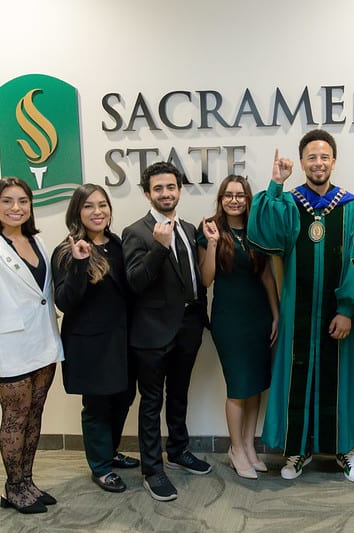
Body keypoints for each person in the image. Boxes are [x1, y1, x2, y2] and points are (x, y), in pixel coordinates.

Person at [247, 129, 354, 482]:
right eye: (311, 157)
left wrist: (348, 310)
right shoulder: (288, 203)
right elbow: (266, 234)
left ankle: (344, 448)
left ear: (334, 161)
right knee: (295, 378)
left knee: (342, 378)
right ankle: (297, 449)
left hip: (338, 315)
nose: (318, 163)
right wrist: (275, 184)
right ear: (302, 162)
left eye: (324, 156)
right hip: (297, 312)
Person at [0, 177, 63, 514]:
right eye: (7, 201)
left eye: (23, 201)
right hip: (10, 347)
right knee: (15, 418)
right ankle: (12, 488)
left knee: (35, 415)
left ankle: (28, 482)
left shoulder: (38, 240)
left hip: (43, 343)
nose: (16, 207)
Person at [122, 161, 211, 502]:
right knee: (151, 402)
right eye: (158, 188)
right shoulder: (136, 232)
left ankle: (178, 450)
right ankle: (152, 469)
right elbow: (135, 282)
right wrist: (159, 247)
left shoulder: (188, 228)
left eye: (170, 187)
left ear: (179, 190)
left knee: (179, 394)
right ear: (147, 193)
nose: (165, 193)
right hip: (152, 332)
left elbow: (194, 278)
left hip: (187, 327)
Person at [52, 184, 138, 493]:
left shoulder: (116, 244)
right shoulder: (67, 249)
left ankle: (110, 452)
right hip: (89, 344)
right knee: (98, 406)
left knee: (123, 398)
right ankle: (100, 468)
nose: (98, 211)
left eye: (103, 205)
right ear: (77, 212)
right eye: (89, 206)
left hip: (121, 340)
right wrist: (78, 263)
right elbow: (64, 300)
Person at [197, 175, 279, 479]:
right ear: (220, 199)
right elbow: (205, 280)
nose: (235, 200)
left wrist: (276, 315)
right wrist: (214, 243)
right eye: (229, 195)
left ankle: (248, 445)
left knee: (256, 385)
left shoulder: (257, 230)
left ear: (248, 199)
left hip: (258, 316)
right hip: (229, 319)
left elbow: (267, 276)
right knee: (238, 387)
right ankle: (235, 448)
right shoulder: (209, 230)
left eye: (241, 195)